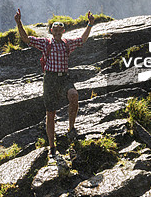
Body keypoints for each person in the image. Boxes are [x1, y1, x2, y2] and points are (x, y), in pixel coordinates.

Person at [14, 8, 94, 158]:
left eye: (60, 30)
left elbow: (82, 40)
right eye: (55, 30)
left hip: (64, 77)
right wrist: (19, 23)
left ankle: (71, 129)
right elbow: (26, 39)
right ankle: (52, 146)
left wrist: (90, 25)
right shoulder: (45, 43)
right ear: (51, 31)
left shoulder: (67, 43)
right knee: (50, 114)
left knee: (74, 95)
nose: (57, 32)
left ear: (63, 31)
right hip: (50, 79)